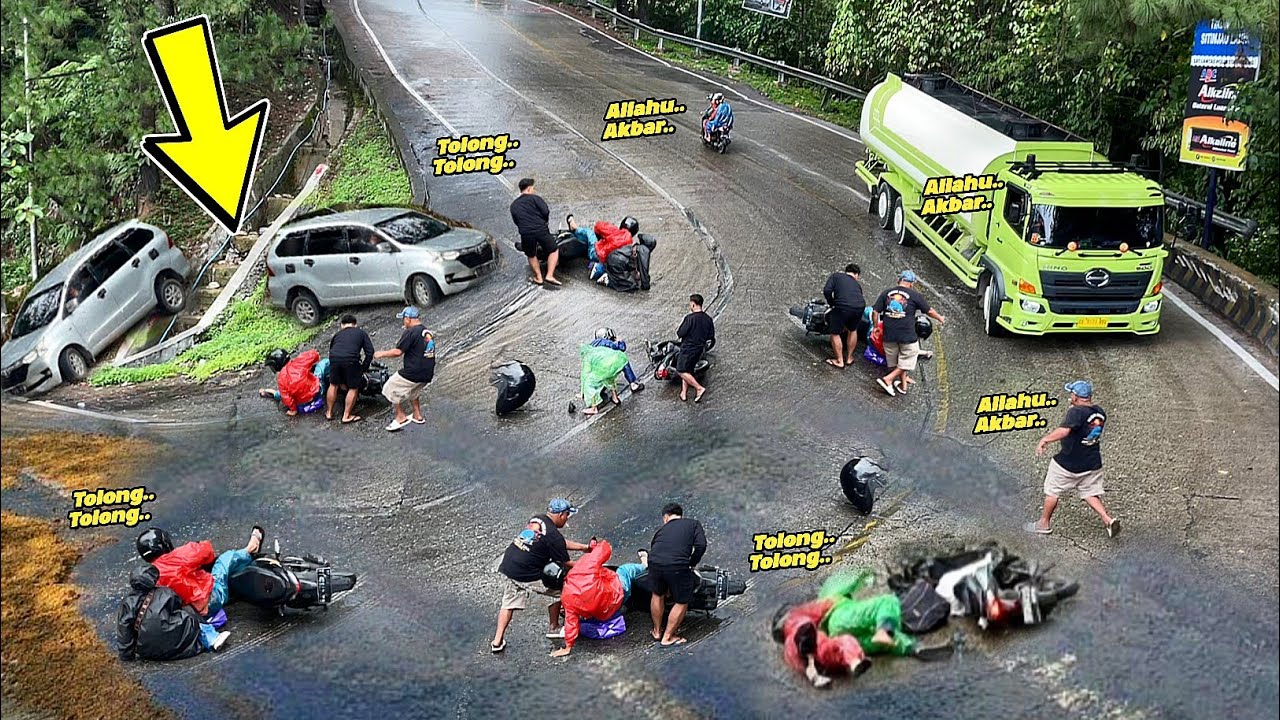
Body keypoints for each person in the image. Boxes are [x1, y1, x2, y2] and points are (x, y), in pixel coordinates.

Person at [491, 499, 591, 653]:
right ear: (561, 515)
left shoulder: (538, 519)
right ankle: (554, 627)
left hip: (510, 565)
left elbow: (559, 542)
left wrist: (583, 547)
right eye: (567, 515)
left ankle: (497, 642)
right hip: (526, 572)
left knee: (508, 604)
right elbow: (566, 563)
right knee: (560, 587)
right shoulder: (553, 536)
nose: (567, 519)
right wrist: (591, 565)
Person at [1027, 380, 1119, 537]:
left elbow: (1064, 431)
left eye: (1071, 394)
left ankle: (1043, 523)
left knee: (1052, 490)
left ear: (1075, 397)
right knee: (1089, 492)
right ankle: (1108, 520)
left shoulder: (1076, 413)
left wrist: (1045, 439)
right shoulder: (1100, 412)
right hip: (1091, 463)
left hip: (1069, 463)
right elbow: (1085, 423)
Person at [136, 526, 261, 639]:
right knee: (224, 560)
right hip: (212, 599)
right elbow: (207, 551)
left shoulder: (150, 576)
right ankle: (250, 550)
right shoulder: (175, 557)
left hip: (192, 614)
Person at [548, 539, 647, 658]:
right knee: (624, 570)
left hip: (607, 613)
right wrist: (595, 546)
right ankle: (644, 566)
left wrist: (568, 647)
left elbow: (571, 623)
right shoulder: (581, 568)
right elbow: (605, 549)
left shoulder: (566, 599)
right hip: (619, 592)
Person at [116, 564, 227, 660]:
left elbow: (124, 628)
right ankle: (211, 638)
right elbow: (179, 607)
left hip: (148, 650)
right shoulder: (165, 592)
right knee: (189, 611)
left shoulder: (127, 602)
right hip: (175, 641)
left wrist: (126, 654)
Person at [870, 270, 945, 397]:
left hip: (889, 335)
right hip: (907, 335)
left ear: (899, 280)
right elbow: (929, 311)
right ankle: (888, 379)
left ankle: (902, 386)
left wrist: (876, 327)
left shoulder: (886, 293)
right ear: (911, 283)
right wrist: (940, 318)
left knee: (896, 363)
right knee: (909, 359)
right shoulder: (915, 295)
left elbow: (875, 312)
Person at [647, 503, 707, 647]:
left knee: (657, 594)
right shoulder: (693, 524)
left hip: (654, 562)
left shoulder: (661, 530)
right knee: (682, 600)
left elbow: (654, 547)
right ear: (681, 515)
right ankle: (668, 637)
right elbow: (701, 545)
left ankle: (656, 631)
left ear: (666, 517)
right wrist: (692, 562)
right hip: (677, 565)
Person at [773, 599, 869, 688]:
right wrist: (835, 602)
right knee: (845, 641)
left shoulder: (787, 649)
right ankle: (854, 662)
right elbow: (819, 609)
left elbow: (797, 663)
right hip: (819, 646)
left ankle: (814, 673)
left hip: (818, 662)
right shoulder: (795, 618)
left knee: (814, 654)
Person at [373, 307, 435, 432]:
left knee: (389, 388)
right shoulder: (425, 331)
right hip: (428, 371)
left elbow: (398, 352)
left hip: (413, 371)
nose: (403, 322)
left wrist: (381, 353)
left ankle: (400, 417)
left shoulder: (410, 332)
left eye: (403, 319)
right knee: (414, 390)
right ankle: (417, 415)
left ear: (408, 319)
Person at [510, 177, 561, 286]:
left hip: (526, 233)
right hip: (540, 229)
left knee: (531, 254)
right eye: (533, 188)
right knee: (553, 250)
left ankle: (538, 277)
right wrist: (544, 221)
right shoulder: (535, 198)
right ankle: (549, 275)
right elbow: (545, 211)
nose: (534, 190)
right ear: (529, 189)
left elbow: (516, 220)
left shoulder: (514, 205)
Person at [325, 314, 375, 423]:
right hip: (351, 359)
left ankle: (329, 412)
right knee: (353, 387)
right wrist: (363, 368)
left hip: (334, 359)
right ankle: (346, 416)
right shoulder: (361, 333)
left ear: (342, 325)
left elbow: (331, 350)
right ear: (355, 324)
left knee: (333, 384)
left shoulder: (337, 335)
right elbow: (370, 352)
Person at [258, 348, 329, 416]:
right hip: (317, 392)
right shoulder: (298, 363)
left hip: (302, 402)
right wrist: (316, 354)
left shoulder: (281, 380)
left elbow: (286, 398)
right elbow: (312, 355)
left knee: (282, 394)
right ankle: (333, 378)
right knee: (323, 363)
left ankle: (269, 392)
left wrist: (293, 410)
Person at [822, 263, 867, 368]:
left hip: (842, 306)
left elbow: (827, 290)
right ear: (857, 275)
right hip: (860, 306)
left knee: (835, 333)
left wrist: (832, 303)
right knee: (853, 330)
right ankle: (849, 358)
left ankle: (839, 361)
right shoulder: (856, 284)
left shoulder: (836, 276)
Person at [675, 293, 715, 403]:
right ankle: (684, 393)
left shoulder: (689, 318)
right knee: (688, 370)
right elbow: (711, 336)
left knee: (681, 370)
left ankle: (699, 388)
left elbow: (680, 333)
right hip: (699, 349)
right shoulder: (708, 319)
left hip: (687, 349)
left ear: (693, 304)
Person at [591, 328, 644, 395]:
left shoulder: (591, 346)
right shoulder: (607, 342)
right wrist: (620, 341)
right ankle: (633, 384)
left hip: (596, 373)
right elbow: (622, 348)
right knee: (623, 361)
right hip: (607, 369)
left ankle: (599, 388)